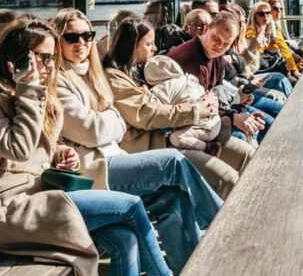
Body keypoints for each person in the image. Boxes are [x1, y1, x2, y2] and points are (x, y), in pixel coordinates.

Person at [0, 19, 171, 276]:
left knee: (124, 238)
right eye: (44, 57)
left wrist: (59, 153)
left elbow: (38, 145)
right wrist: (30, 90)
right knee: (131, 205)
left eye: (52, 58)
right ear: (18, 57)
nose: (51, 66)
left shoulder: (29, 90)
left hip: (45, 195)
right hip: (12, 209)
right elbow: (18, 149)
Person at [51, 9, 221, 274]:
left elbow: (113, 125)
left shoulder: (92, 76)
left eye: (87, 35)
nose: (81, 43)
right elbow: (91, 130)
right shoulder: (59, 80)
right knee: (173, 162)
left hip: (115, 157)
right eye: (71, 37)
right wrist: (111, 120)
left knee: (172, 197)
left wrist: (109, 121)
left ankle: (198, 268)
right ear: (57, 40)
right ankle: (224, 224)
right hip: (94, 170)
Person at [105, 17, 254, 198]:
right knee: (227, 180)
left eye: (226, 43)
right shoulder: (115, 78)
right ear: (132, 45)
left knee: (249, 155)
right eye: (149, 44)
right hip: (163, 141)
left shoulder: (138, 71)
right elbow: (146, 114)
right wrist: (197, 110)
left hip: (188, 128)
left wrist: (211, 103)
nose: (155, 49)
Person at [167, 11, 269, 141]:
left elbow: (218, 95)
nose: (220, 46)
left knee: (264, 125)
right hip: (179, 128)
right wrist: (234, 118)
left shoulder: (216, 57)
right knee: (243, 136)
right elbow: (195, 110)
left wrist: (240, 98)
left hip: (209, 117)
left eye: (226, 44)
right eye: (216, 38)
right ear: (207, 29)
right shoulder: (191, 61)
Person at [143, 56, 223, 154]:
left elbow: (155, 109)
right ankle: (218, 134)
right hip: (216, 120)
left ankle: (208, 148)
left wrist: (147, 93)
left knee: (175, 138)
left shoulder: (165, 88)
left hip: (203, 128)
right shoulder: (189, 78)